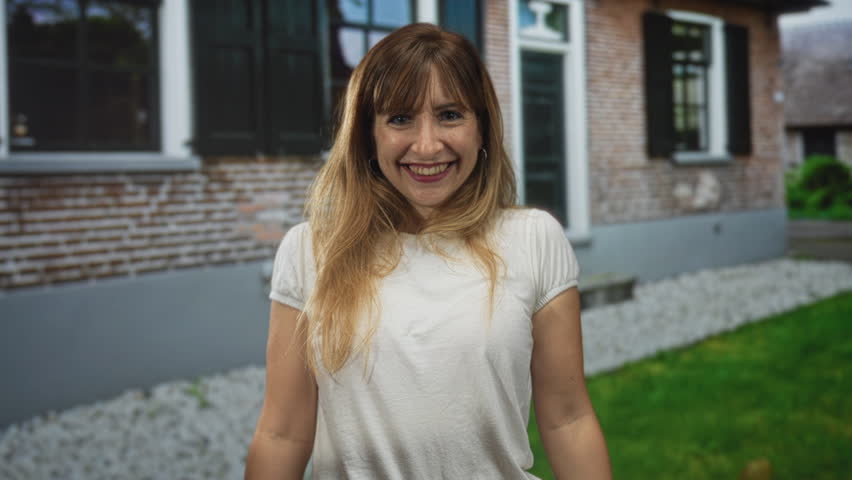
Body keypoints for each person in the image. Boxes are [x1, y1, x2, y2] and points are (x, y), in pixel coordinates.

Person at [245, 23, 612, 480]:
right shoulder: (310, 251)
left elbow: (568, 419)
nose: (427, 145)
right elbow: (282, 433)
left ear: (482, 128)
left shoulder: (535, 240)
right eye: (400, 119)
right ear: (367, 136)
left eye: (450, 115)